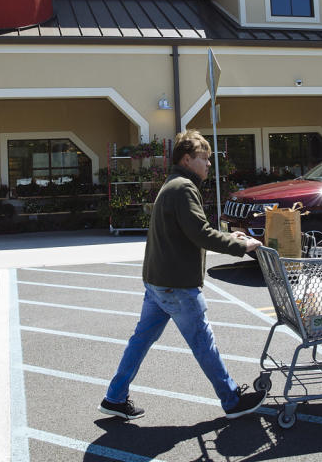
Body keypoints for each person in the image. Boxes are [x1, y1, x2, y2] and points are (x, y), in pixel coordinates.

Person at [99, 130, 265, 421]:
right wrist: (241, 245)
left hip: (158, 281)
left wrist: (228, 234)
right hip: (176, 285)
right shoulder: (184, 188)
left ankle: (114, 397)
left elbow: (191, 228)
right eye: (205, 159)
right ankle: (231, 400)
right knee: (203, 342)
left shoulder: (173, 184)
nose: (209, 165)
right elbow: (199, 233)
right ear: (187, 159)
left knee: (140, 341)